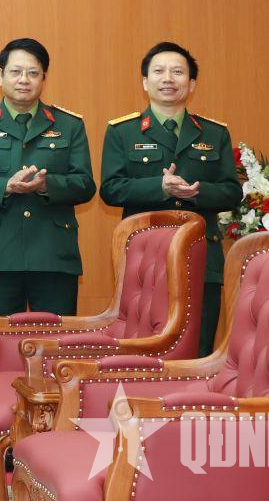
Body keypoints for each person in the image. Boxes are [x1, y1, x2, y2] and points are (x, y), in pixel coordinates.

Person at [100, 41, 240, 356]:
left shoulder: (214, 133)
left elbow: (232, 192)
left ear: (191, 84)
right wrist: (160, 188)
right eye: (159, 71)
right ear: (145, 82)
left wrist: (197, 192)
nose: (168, 79)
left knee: (199, 351)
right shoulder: (123, 132)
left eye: (178, 72)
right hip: (145, 258)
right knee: (141, 350)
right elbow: (111, 189)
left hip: (202, 256)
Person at [0, 38, 95, 316]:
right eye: (15, 72)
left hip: (54, 255)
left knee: (56, 340)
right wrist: (5, 186)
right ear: (0, 76)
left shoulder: (69, 125)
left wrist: (46, 186)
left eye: (33, 73)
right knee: (0, 339)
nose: (24, 80)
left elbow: (85, 184)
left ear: (43, 78)